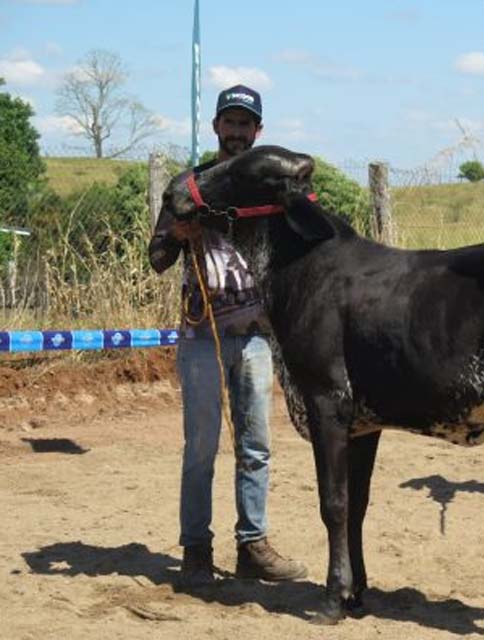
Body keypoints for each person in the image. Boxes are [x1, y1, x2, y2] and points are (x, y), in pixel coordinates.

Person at [149, 84, 307, 587]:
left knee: (256, 446)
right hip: (202, 339)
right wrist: (178, 233)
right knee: (201, 446)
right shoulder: (188, 187)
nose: (237, 132)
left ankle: (252, 546)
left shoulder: (268, 191)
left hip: (258, 337)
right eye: (230, 123)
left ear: (258, 131)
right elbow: (156, 260)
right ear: (216, 126)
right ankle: (196, 551)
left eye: (246, 124)